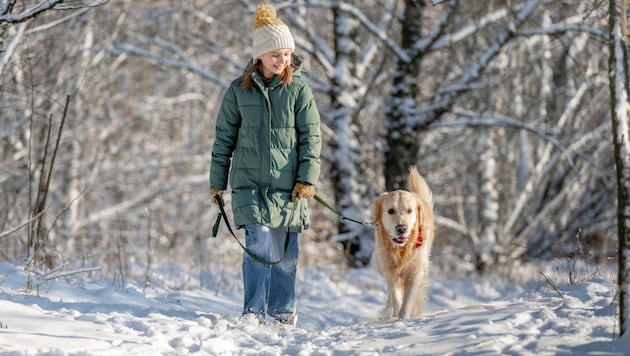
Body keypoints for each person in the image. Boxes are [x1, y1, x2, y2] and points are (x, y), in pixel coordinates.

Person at [209, 4, 321, 327]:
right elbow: (223, 142)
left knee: (285, 255)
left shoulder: (299, 90)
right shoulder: (237, 91)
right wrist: (218, 183)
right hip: (249, 186)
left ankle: (283, 314)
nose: (281, 60)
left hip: (290, 189)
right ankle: (254, 313)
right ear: (259, 55)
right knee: (257, 245)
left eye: (286, 53)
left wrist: (307, 178)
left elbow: (312, 138)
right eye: (275, 53)